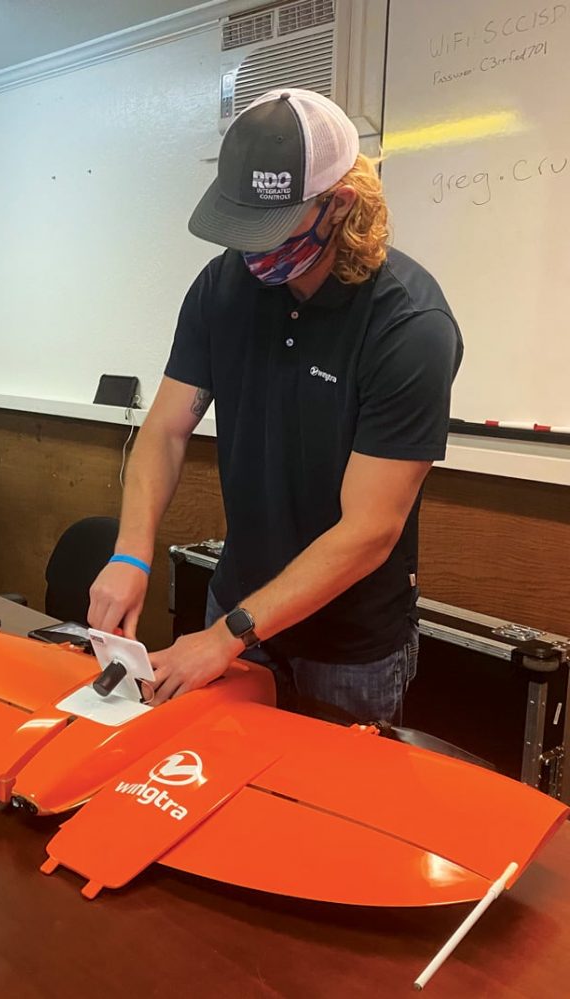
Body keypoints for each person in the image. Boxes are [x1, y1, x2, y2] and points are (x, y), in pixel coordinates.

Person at [88, 88, 463, 723]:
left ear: (338, 203)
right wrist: (130, 552)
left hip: (346, 648)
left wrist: (227, 635)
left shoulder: (409, 325)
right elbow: (168, 429)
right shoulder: (222, 287)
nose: (250, 254)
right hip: (235, 607)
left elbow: (369, 530)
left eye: (268, 231)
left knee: (330, 814)